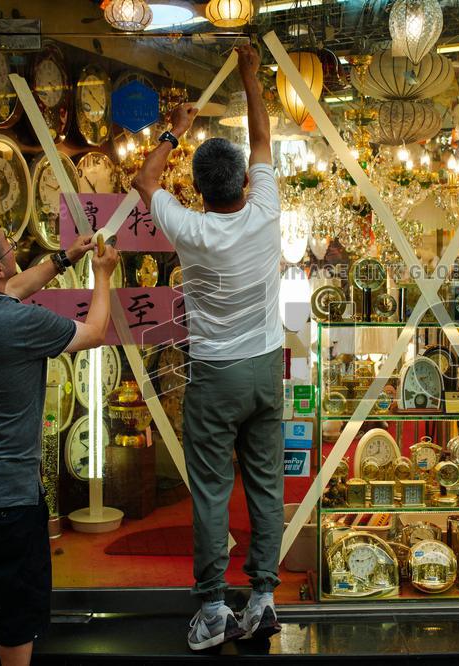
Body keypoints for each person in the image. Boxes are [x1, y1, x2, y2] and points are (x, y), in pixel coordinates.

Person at [132, 44, 284, 651]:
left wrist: (175, 130)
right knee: (266, 487)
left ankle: (215, 607)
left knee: (212, 492)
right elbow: (262, 135)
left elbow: (144, 180)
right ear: (245, 180)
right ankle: (264, 599)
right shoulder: (266, 210)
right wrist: (250, 76)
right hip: (265, 369)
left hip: (215, 375)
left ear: (195, 189)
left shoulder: (189, 227)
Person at [0, 214, 119, 666]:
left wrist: (65, 258)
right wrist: (102, 275)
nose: (13, 246)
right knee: (16, 619)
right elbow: (94, 332)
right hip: (8, 501)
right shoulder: (21, 323)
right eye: (7, 244)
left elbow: (12, 287)